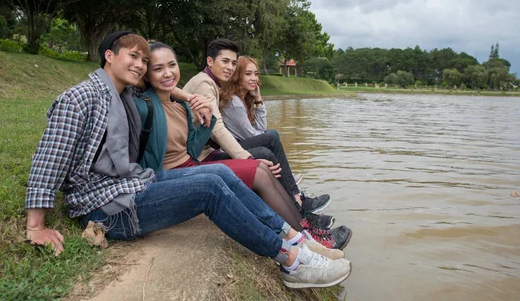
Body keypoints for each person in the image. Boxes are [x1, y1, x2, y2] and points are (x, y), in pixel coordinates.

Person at [24, 31, 351, 289]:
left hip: (134, 184)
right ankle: (292, 261)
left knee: (222, 173)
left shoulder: (121, 93)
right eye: (133, 56)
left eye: (143, 58)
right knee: (209, 183)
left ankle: (295, 239)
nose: (139, 64)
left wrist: (186, 95)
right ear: (109, 56)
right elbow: (48, 160)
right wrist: (36, 226)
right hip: (108, 208)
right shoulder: (78, 98)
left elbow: (161, 88)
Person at [134, 42, 343, 249]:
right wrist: (245, 157)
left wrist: (206, 115)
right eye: (158, 68)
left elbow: (193, 145)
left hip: (193, 159)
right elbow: (217, 134)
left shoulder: (180, 104)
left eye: (172, 65)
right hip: (176, 173)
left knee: (262, 162)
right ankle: (303, 232)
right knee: (260, 163)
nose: (168, 73)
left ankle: (302, 228)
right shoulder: (149, 104)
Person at [220, 56, 337, 230]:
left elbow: (260, 129)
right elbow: (255, 134)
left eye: (256, 74)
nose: (254, 78)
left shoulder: (244, 100)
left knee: (270, 141)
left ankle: (297, 202)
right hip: (231, 150)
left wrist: (258, 101)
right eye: (248, 74)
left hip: (241, 144)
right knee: (272, 137)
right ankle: (297, 200)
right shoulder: (235, 103)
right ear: (238, 76)